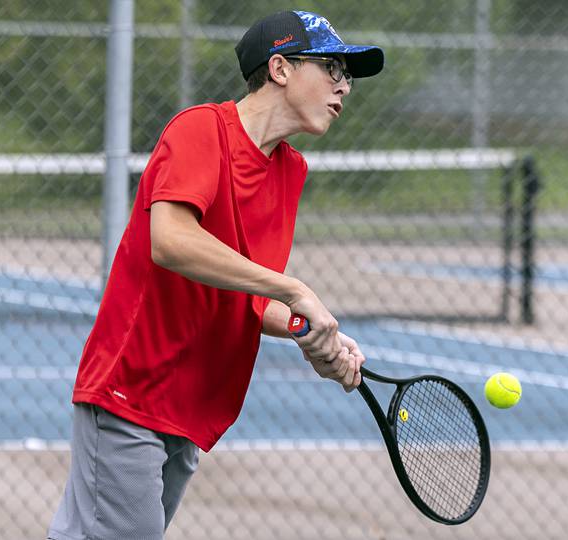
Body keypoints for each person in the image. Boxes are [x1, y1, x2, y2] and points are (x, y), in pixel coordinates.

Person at [47, 10, 384, 540]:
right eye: (333, 67)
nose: (345, 86)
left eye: (347, 75)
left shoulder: (290, 171)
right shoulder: (201, 129)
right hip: (132, 392)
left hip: (192, 409)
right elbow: (173, 242)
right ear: (280, 68)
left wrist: (312, 334)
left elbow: (244, 293)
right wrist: (296, 290)